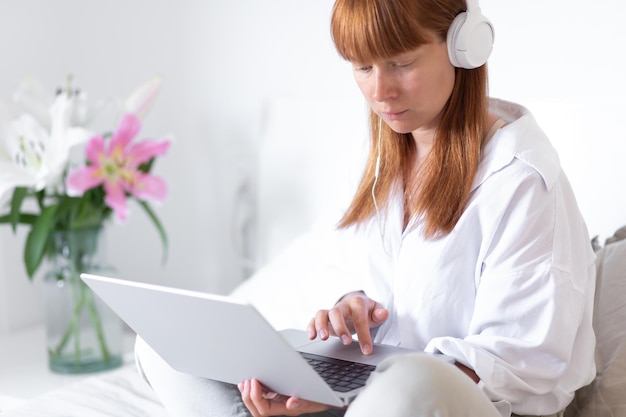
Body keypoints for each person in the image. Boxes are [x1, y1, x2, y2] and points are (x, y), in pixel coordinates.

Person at [134, 0, 597, 416]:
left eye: (401, 63)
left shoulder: (522, 180)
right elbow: (356, 278)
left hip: (463, 404)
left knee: (409, 388)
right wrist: (344, 312)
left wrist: (364, 389)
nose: (380, 92)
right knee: (162, 343)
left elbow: (516, 362)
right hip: (369, 396)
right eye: (362, 68)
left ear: (465, 46)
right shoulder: (378, 161)